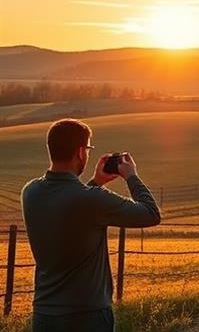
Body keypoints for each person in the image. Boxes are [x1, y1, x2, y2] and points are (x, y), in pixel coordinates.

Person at [21, 119, 161, 332]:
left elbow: (68, 207)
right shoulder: (91, 200)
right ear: (80, 152)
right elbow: (150, 214)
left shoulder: (30, 192)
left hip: (44, 315)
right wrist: (131, 175)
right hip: (87, 316)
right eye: (87, 149)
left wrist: (96, 182)